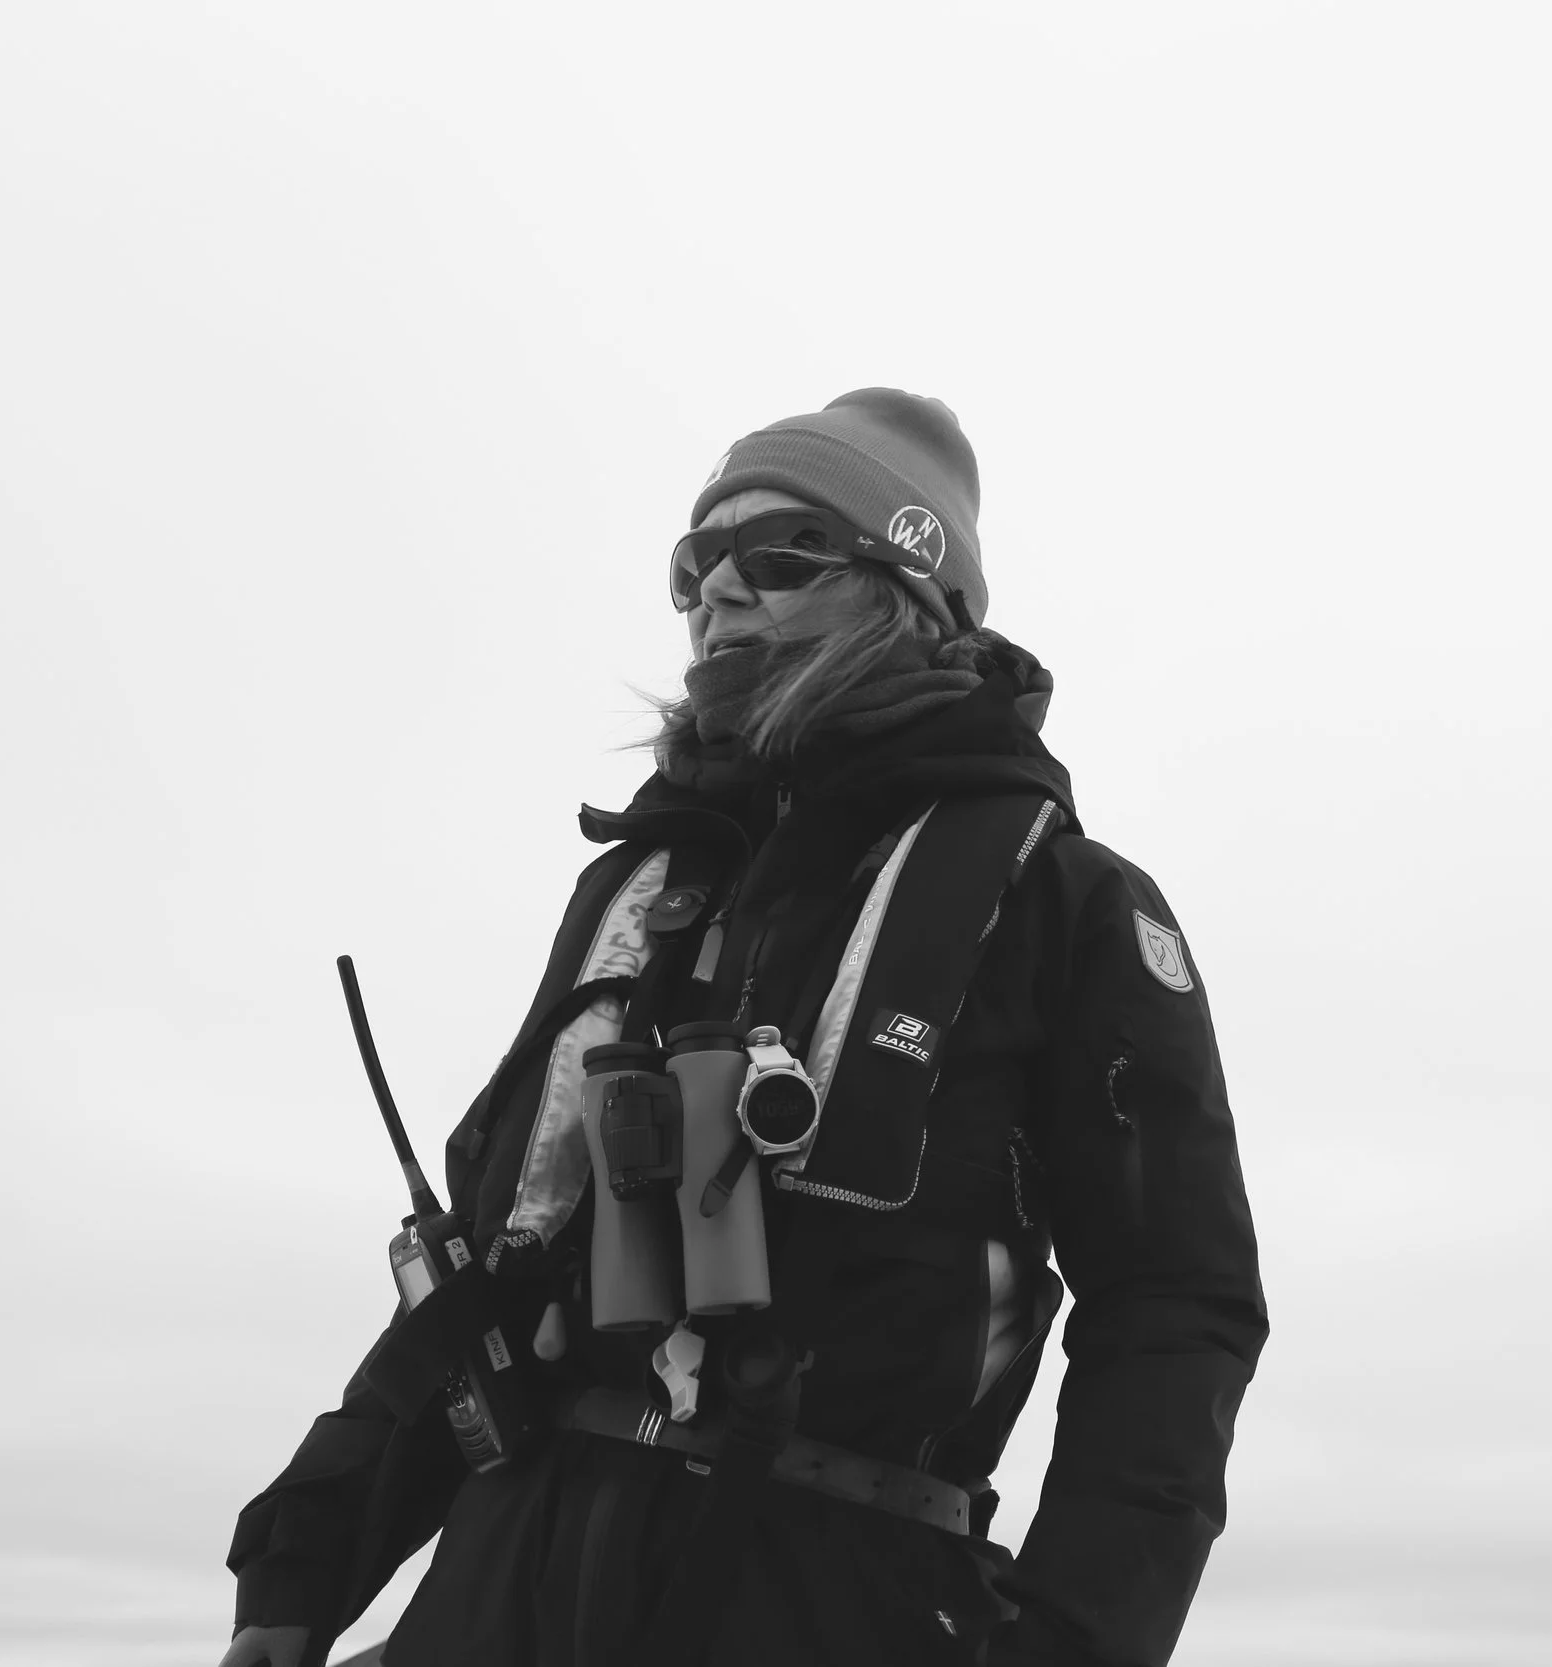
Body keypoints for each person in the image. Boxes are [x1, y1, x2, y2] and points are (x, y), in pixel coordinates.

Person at [217, 390, 1265, 1667]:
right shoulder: (639, 890)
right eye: (691, 564)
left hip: (838, 1594)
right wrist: (301, 1567)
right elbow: (491, 1274)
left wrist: (1075, 1640)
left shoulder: (1070, 902)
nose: (717, 589)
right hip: (505, 1583)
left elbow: (1173, 1309)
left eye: (778, 555)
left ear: (912, 592)